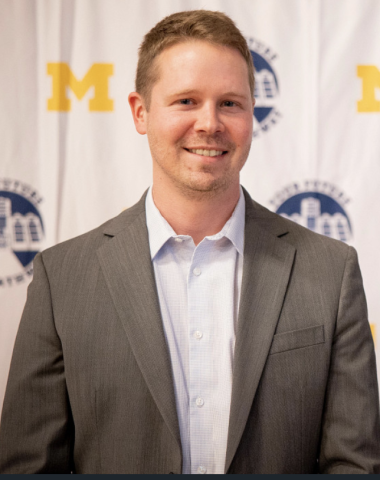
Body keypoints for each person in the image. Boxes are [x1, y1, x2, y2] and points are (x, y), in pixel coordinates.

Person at [0, 9, 379, 474]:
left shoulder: (329, 271)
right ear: (141, 112)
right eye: (186, 101)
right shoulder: (62, 278)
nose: (209, 123)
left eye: (231, 104)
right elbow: (28, 469)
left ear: (251, 115)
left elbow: (356, 465)